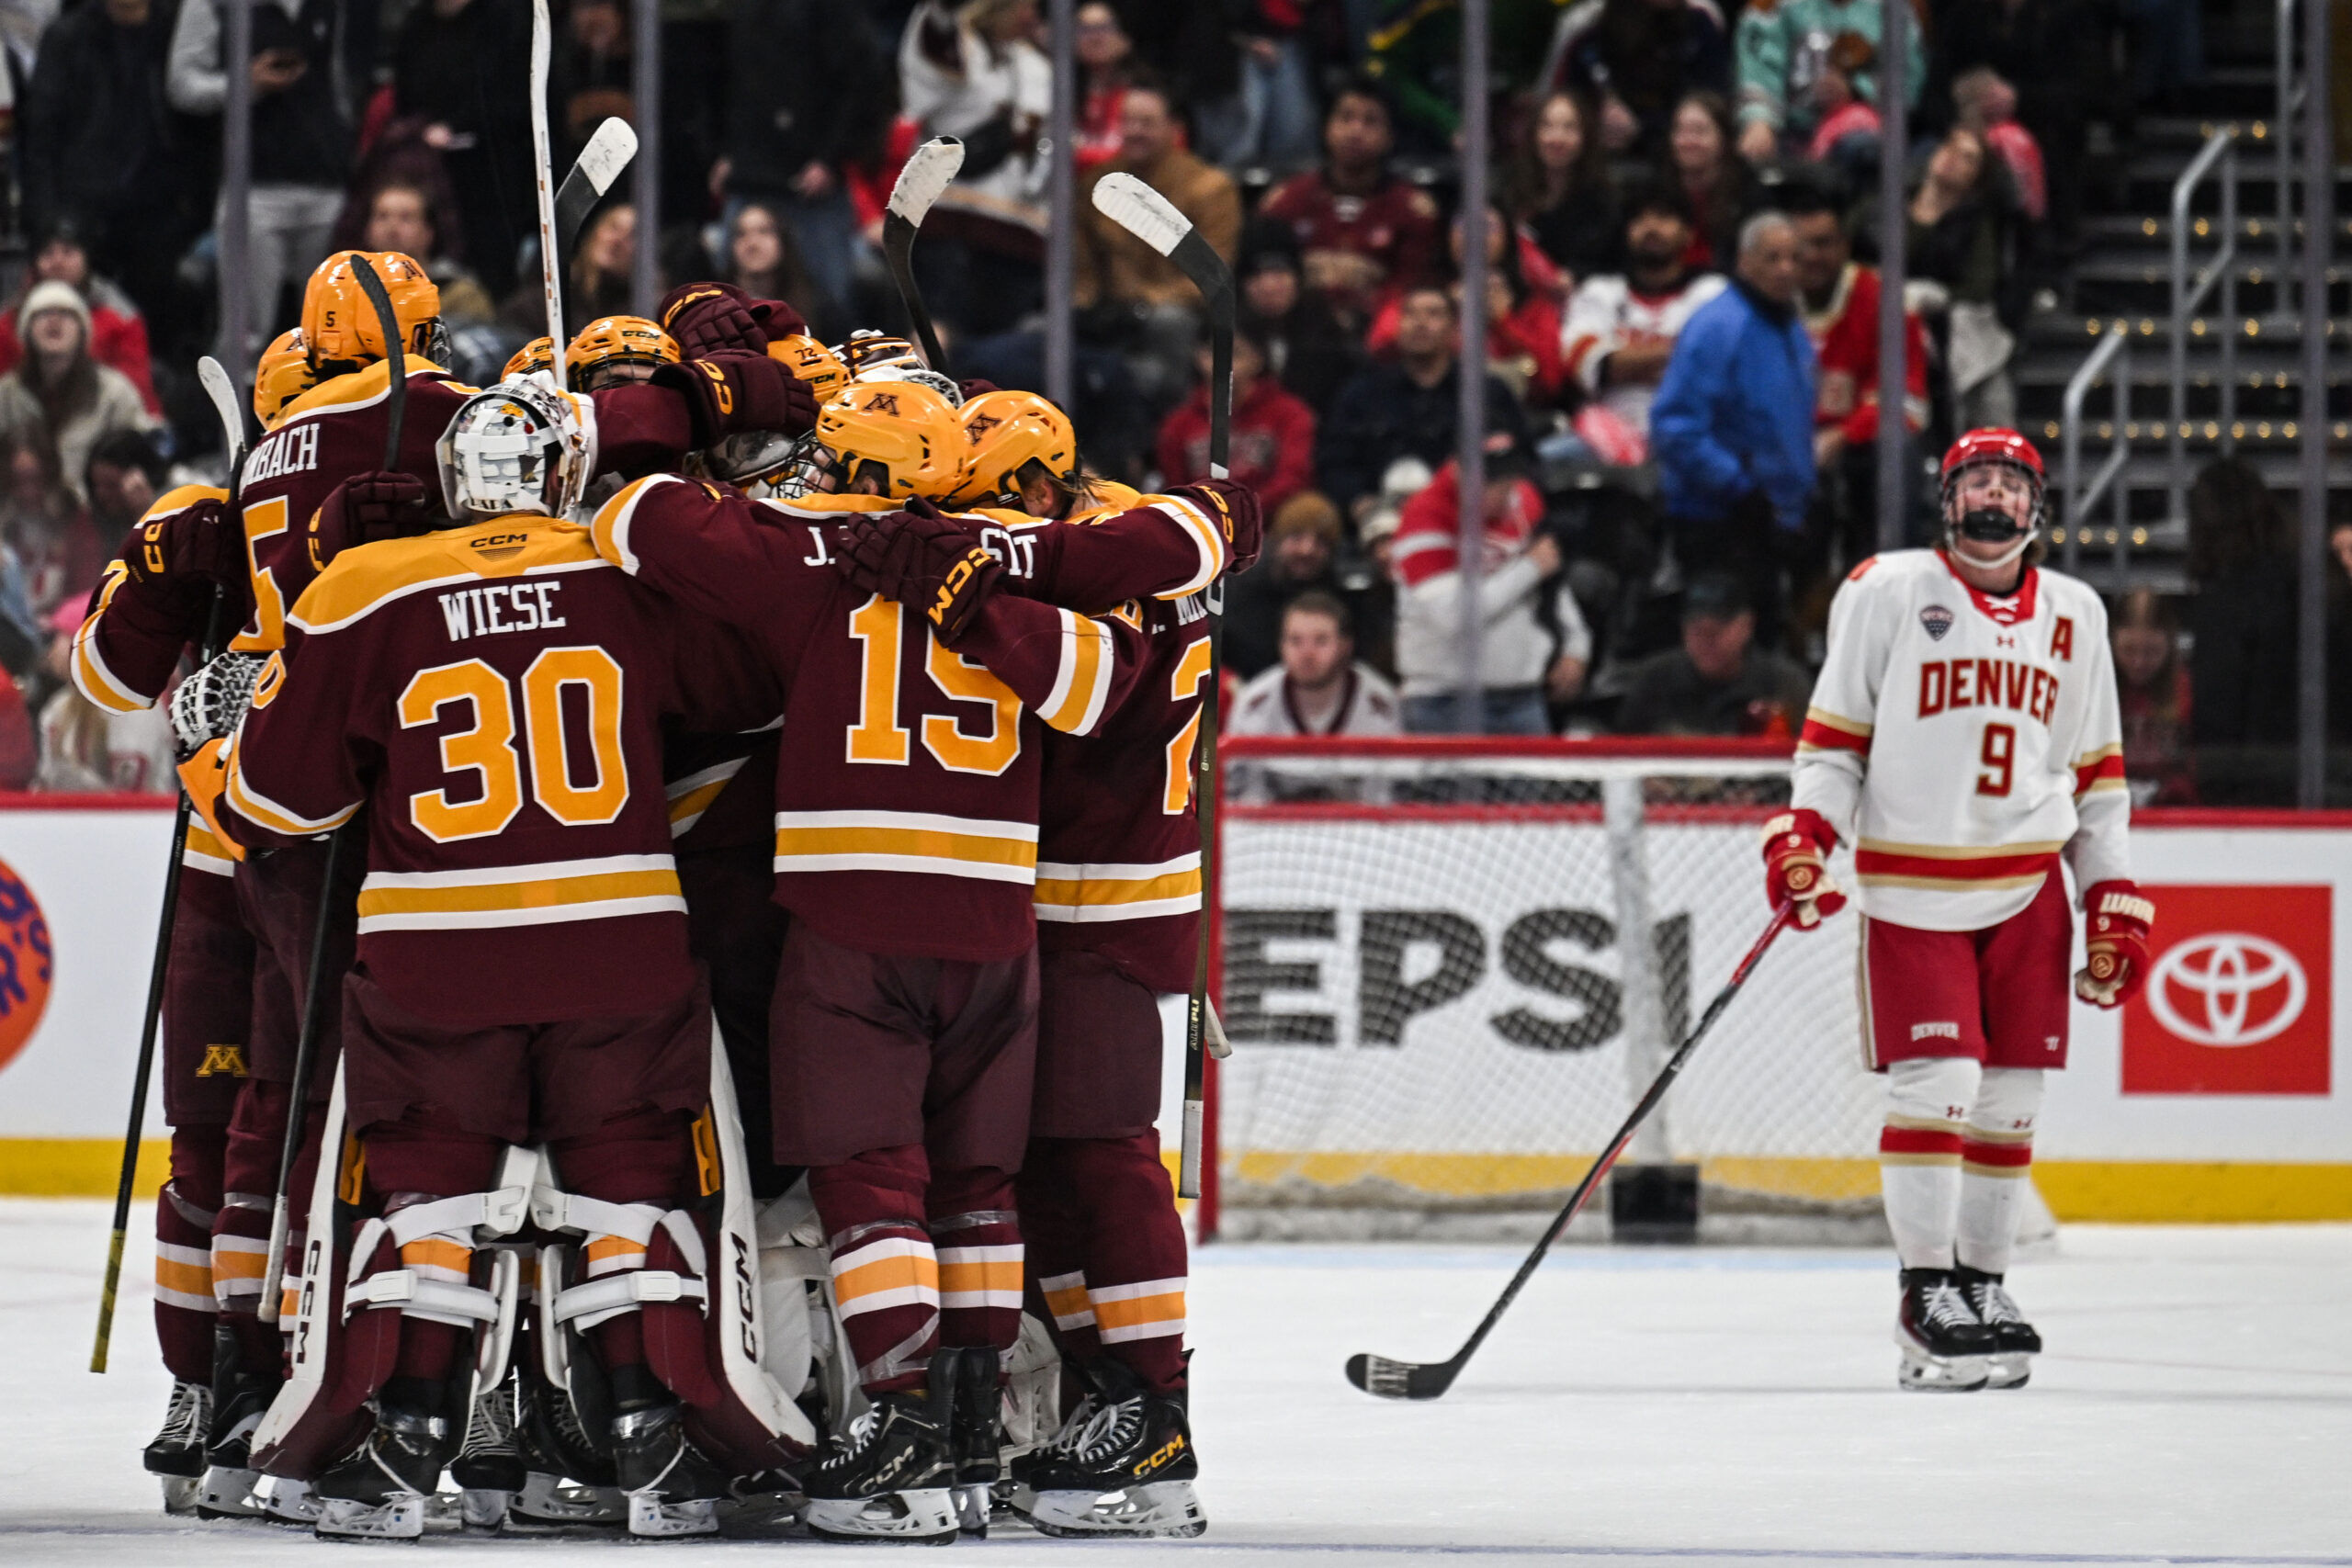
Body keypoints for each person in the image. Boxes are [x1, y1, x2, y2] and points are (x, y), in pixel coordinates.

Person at [579, 386, 1246, 1541]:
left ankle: (921, 1420)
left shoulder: (823, 557)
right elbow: (1111, 663)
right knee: (987, 1183)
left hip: (917, 914)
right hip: (1012, 918)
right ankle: (979, 1432)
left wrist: (650, 429)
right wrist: (1001, 574)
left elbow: (633, 517)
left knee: (884, 1175)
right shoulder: (1053, 554)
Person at [204, 379, 786, 1540]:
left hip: (435, 958)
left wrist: (226, 721)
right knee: (628, 1186)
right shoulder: (626, 566)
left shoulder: (364, 585)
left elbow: (277, 801)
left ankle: (405, 1444)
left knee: (428, 1194)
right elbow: (753, 698)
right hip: (618, 943)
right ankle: (652, 1441)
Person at [1774, 427, 2146, 1393]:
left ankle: (1982, 1288)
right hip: (1914, 890)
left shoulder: (2077, 612)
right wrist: (1807, 836)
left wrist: (2110, 891)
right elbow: (1833, 744)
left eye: (2010, 484)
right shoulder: (1886, 590)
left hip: (2028, 890)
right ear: (1946, 500)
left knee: (2010, 1101)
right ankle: (1924, 1294)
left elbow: (2097, 776)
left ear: (2037, 505)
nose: (1992, 496)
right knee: (1938, 1084)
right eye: (1974, 480)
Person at [1650, 210, 1816, 644]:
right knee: (1724, 649)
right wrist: (1737, 487)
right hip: (1719, 519)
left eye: (1794, 258)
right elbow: (1675, 425)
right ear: (1744, 261)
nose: (1785, 269)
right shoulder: (1718, 326)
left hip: (1774, 518)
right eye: (1772, 258)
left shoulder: (1790, 327)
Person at [169, 0, 363, 357]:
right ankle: (237, 396)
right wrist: (245, 83)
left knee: (331, 331)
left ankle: (328, 396)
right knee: (246, 334)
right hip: (254, 189)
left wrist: (341, 144)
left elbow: (339, 82)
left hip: (325, 185)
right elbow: (182, 85)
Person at [1389, 427, 1591, 734]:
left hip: (1523, 696)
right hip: (1443, 701)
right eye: (1493, 483)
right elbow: (1454, 615)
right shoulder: (1424, 517)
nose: (1506, 494)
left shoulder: (1523, 498)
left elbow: (1549, 576)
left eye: (1510, 480)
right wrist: (1528, 568)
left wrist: (1576, 645)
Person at [19, 0, 199, 329]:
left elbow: (199, 129)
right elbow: (41, 134)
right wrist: (45, 219)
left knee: (158, 315)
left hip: (158, 204)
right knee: (81, 314)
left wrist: (194, 205)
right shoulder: (68, 37)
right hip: (82, 204)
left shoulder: (175, 32)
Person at [1075, 78, 1243, 409]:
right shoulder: (1097, 183)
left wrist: (1144, 303)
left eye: (1147, 123)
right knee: (1044, 327)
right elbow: (1081, 268)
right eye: (1128, 121)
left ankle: (1172, 415)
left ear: (1175, 128)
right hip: (1109, 312)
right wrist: (1085, 305)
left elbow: (1213, 281)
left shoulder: (1210, 188)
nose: (1134, 131)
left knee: (1169, 321)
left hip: (1172, 313)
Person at [720, 0, 889, 329]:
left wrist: (830, 158)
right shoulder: (743, 8)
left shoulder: (835, 11)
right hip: (750, 170)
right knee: (726, 300)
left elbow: (861, 79)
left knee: (827, 298)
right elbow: (724, 74)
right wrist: (724, 149)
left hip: (812, 184)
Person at [1790, 183, 1928, 567]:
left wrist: (1843, 436)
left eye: (1823, 244)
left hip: (1860, 451)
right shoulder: (1768, 300)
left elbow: (1906, 402)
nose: (1811, 257)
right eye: (1801, 247)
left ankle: (1891, 574)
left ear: (1845, 246)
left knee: (1896, 450)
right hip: (1785, 447)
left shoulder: (1886, 300)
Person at [899, 0, 1052, 341]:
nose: (1031, 15)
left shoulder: (1036, 66)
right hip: (951, 222)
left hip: (1019, 232)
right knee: (941, 335)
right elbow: (936, 29)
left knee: (1001, 347)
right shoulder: (960, 45)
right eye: (1025, 6)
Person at [1317, 285, 1523, 523]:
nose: (1420, 323)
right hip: (1381, 521)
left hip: (1467, 522)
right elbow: (1335, 462)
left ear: (1454, 329)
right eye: (1410, 314)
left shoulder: (1486, 393)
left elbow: (1519, 462)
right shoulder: (1362, 393)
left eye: (1433, 314)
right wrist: (1358, 501)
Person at [1257, 80, 1443, 327]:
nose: (1355, 131)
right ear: (1326, 128)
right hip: (1296, 332)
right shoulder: (1286, 201)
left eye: (1370, 121)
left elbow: (1413, 289)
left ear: (1390, 137)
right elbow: (1262, 282)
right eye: (1345, 118)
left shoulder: (1412, 210)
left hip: (1381, 337)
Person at [1561, 186, 1729, 453]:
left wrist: (1627, 361)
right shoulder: (1598, 291)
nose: (1651, 227)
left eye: (1663, 217)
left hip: (1698, 433)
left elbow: (1721, 367)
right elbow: (1587, 364)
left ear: (1688, 234)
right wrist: (1683, 353)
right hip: (1605, 439)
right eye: (1639, 219)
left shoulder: (1715, 293)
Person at [0, 281, 160, 506]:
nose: (54, 321)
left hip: (98, 515)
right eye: (42, 314)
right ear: (26, 330)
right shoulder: (7, 394)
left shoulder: (114, 392)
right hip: (22, 515)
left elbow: (144, 453)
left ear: (83, 331)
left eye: (66, 314)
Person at [1613, 570, 1811, 735]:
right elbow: (1625, 754)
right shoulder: (1655, 681)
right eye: (1697, 629)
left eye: (1718, 629)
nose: (1707, 640)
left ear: (1747, 625)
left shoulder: (1784, 684)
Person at [0, 221, 162, 417]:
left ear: (86, 260)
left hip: (104, 420)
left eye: (68, 252)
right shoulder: (9, 320)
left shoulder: (120, 317)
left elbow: (137, 395)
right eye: (47, 254)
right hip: (28, 422)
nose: (58, 262)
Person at [1733, 0, 1924, 165]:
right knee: (1751, 151)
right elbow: (1759, 70)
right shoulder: (1772, 5)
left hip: (1863, 136)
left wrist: (1856, 90)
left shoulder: (1895, 9)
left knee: (1865, 151)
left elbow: (1909, 84)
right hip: (1788, 131)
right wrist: (1759, 120)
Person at [1156, 324, 1317, 516]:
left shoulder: (1289, 413)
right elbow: (1175, 486)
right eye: (1213, 352)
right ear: (1198, 357)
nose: (1222, 363)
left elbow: (1293, 476)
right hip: (1201, 520)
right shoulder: (1179, 422)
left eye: (1236, 354)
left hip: (1268, 518)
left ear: (1258, 359)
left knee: (1309, 509)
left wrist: (1244, 510)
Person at [1542, 0, 1733, 158]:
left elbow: (1716, 101)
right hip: (1598, 159)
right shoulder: (1587, 26)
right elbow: (1562, 102)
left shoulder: (1700, 24)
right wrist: (1597, 117)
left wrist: (1643, 126)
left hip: (1675, 157)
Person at [1227, 589, 1403, 745]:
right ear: (1281, 644)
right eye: (1295, 640)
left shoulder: (1380, 704)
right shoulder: (1255, 703)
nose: (1307, 654)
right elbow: (1236, 771)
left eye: (1321, 640)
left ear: (1345, 646)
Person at [1221, 492, 1351, 681]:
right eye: (1297, 537)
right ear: (1277, 540)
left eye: (1321, 541)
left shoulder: (1338, 593)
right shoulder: (1240, 586)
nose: (1307, 549)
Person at [1503, 89, 1624, 291]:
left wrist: (1575, 276)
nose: (1557, 138)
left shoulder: (1603, 202)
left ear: (1585, 137)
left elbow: (1610, 264)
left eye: (1569, 128)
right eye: (1547, 126)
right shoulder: (1512, 191)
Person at [1236, 222, 1362, 415]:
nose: (1269, 286)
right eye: (1256, 275)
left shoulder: (1327, 334)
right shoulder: (1226, 333)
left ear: (1298, 279)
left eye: (1280, 273)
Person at [1662, 91, 1763, 272]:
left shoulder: (1748, 193)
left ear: (1724, 139)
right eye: (1680, 131)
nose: (1688, 141)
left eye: (1699, 131)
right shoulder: (1657, 191)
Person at [2111, 588, 2195, 806]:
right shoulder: (2096, 688)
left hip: (2175, 811)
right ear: (2112, 643)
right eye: (2129, 650)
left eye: (2151, 652)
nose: (2139, 662)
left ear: (2169, 645)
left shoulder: (2185, 688)